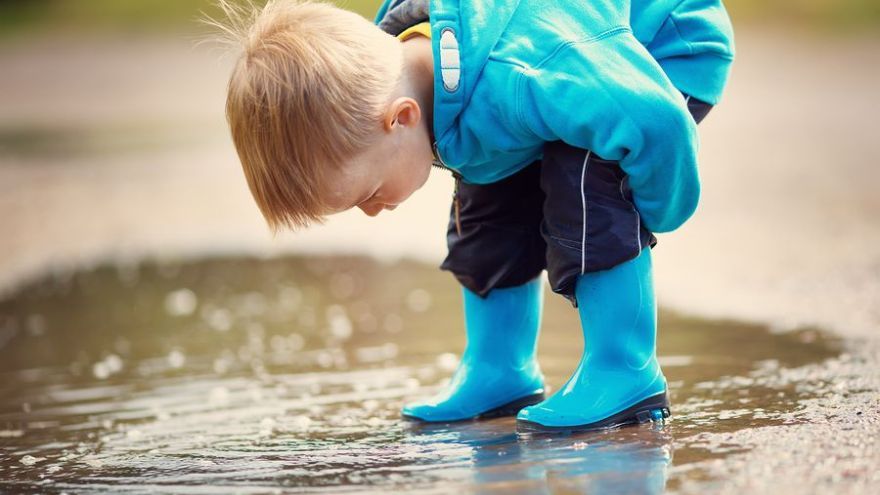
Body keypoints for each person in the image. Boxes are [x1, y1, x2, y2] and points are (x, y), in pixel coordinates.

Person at [215, 0, 734, 431]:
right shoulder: (397, 79)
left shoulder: (523, 74)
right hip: (555, 77)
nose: (372, 212)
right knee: (486, 198)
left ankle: (625, 370)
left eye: (366, 193)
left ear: (402, 118)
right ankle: (498, 366)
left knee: (588, 184)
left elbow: (655, 121)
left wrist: (660, 209)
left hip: (655, 47)